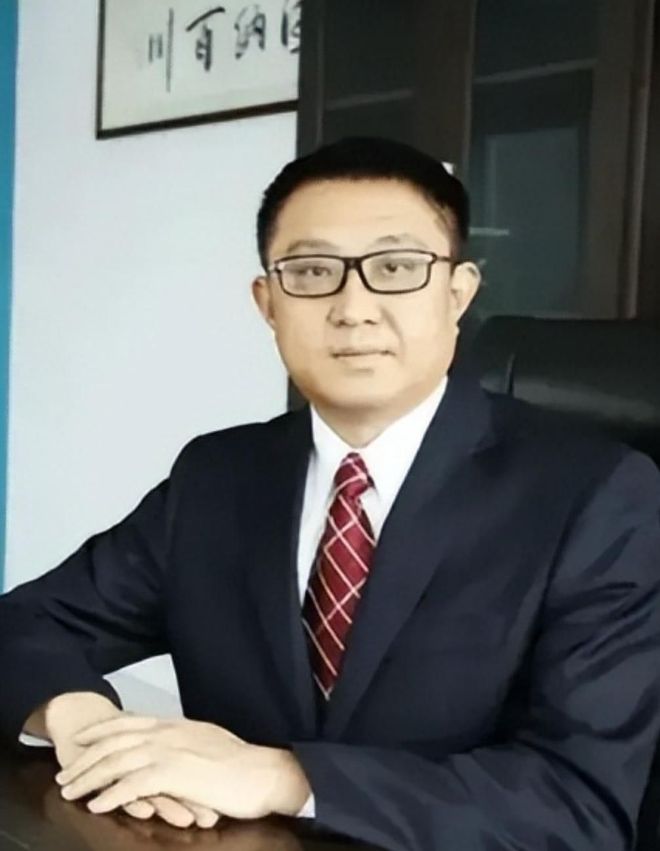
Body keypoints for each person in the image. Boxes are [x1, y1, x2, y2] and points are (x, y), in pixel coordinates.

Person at [0, 136, 659, 851]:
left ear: (458, 293)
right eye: (312, 271)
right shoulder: (218, 476)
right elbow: (25, 624)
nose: (353, 308)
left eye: (396, 268)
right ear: (267, 302)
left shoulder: (594, 495)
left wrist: (287, 776)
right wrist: (83, 721)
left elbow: (577, 803)